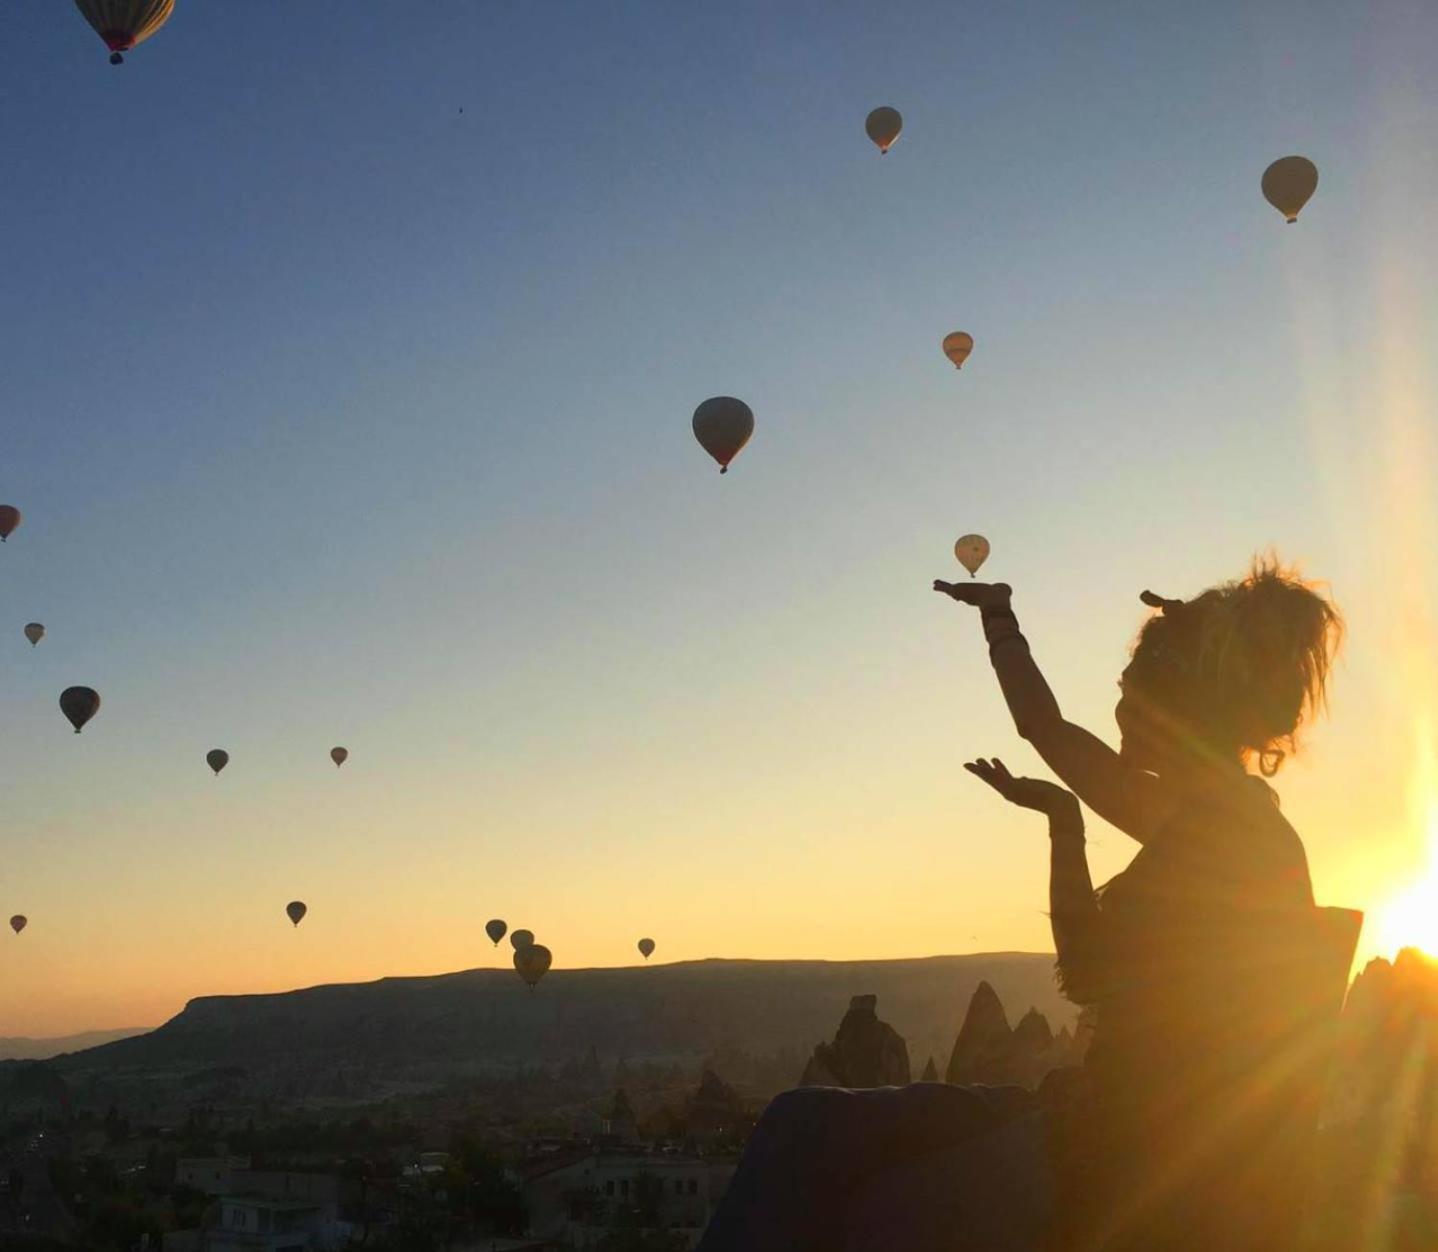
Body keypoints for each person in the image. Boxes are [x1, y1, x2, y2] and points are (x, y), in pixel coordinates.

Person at [698, 558, 1342, 1252]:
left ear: (1174, 712)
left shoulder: (1221, 831)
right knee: (800, 1122)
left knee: (872, 1208)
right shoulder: (1201, 812)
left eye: (1129, 698)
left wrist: (1066, 827)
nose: (1117, 716)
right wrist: (999, 618)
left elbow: (1091, 973)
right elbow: (1044, 726)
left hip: (1123, 1151)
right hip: (1093, 1113)